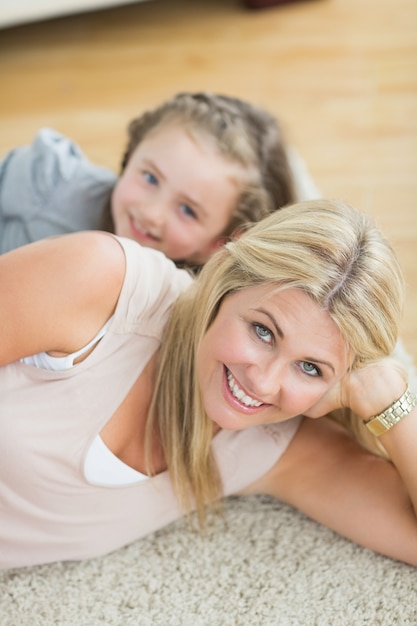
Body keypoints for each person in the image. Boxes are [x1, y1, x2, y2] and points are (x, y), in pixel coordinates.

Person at [1, 199, 416, 570]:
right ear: (226, 283)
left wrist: (393, 407)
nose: (264, 383)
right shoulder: (101, 282)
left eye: (310, 368)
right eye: (263, 332)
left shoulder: (274, 446)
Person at [0, 92, 317, 266]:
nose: (151, 213)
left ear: (218, 243)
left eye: (188, 210)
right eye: (150, 177)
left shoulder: (197, 308)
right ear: (132, 153)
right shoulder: (52, 185)